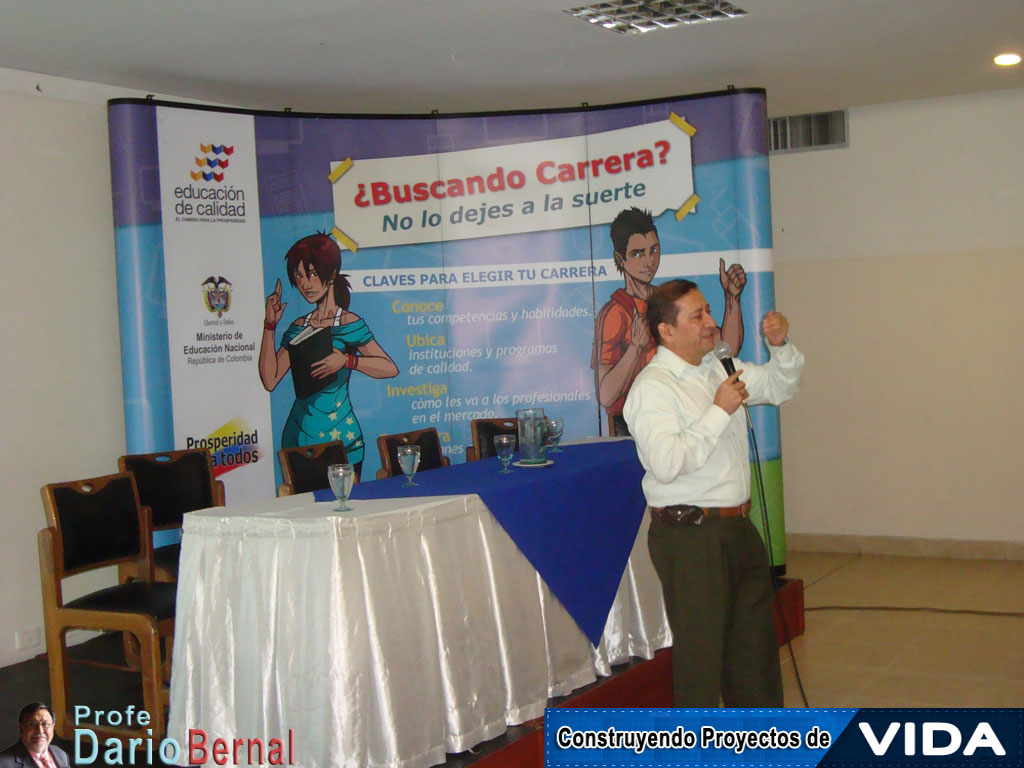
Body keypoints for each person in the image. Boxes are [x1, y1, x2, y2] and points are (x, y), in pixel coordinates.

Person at [623, 279, 804, 706]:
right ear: (667, 331)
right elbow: (667, 463)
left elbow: (780, 387)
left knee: (755, 652)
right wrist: (719, 410)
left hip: (738, 528)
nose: (711, 322)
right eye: (698, 315)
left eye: (708, 311)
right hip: (690, 537)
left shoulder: (719, 366)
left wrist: (780, 346)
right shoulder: (653, 388)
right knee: (702, 659)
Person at [592, 207, 746, 436]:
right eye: (637, 253)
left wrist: (732, 297)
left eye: (653, 250)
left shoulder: (669, 301)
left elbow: (726, 348)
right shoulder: (615, 312)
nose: (649, 261)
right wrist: (635, 347)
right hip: (634, 427)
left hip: (688, 413)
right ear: (619, 259)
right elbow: (605, 395)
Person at [259, 233, 398, 478]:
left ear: (331, 274)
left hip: (342, 441)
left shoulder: (349, 323)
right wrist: (270, 325)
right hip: (297, 441)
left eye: (312, 274)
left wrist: (347, 360)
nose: (305, 284)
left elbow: (389, 368)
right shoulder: (298, 327)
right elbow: (270, 380)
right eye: (299, 275)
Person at [0, 703, 69, 768]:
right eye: (32, 724)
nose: (40, 730)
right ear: (21, 728)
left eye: (46, 724)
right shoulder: (3, 763)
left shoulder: (60, 754)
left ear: (53, 727)